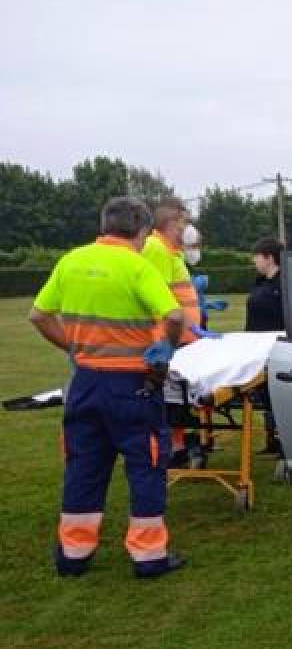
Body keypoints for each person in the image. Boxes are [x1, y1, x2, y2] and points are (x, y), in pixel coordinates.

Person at [29, 196, 187, 579]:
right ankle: (148, 555)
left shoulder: (71, 261)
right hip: (132, 384)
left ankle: (74, 553)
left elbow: (38, 315)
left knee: (83, 466)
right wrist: (165, 346)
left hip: (85, 381)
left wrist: (74, 347)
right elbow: (174, 314)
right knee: (145, 464)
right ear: (143, 231)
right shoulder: (137, 267)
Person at [141, 197, 205, 467]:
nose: (187, 229)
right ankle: (176, 448)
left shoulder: (169, 251)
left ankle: (179, 445)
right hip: (172, 338)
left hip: (184, 336)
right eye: (184, 222)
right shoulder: (156, 249)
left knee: (179, 396)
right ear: (171, 223)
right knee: (173, 398)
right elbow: (161, 299)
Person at [246, 238, 285, 455]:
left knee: (276, 394)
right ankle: (271, 439)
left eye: (257, 256)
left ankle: (283, 440)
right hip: (255, 347)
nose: (254, 260)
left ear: (269, 258)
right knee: (263, 392)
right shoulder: (260, 282)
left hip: (276, 348)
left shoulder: (283, 284)